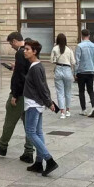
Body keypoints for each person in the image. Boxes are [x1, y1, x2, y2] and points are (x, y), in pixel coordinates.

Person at [0, 33, 34, 163]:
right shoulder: (31, 50)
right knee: (28, 123)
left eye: (11, 43)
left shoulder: (20, 53)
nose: (11, 46)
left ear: (14, 41)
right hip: (30, 93)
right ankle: (29, 151)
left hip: (21, 93)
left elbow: (19, 76)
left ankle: (2, 146)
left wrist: (15, 94)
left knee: (10, 119)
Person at [21, 39, 59, 176]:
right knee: (38, 132)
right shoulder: (37, 66)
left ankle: (49, 160)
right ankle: (38, 162)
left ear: (34, 52)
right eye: (24, 49)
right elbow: (44, 86)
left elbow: (41, 87)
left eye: (27, 49)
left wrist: (49, 102)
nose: (25, 51)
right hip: (37, 103)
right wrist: (49, 101)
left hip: (33, 104)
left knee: (31, 132)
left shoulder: (36, 67)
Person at [74, 29, 94, 118]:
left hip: (81, 71)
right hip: (91, 71)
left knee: (81, 90)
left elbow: (77, 60)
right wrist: (93, 67)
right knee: (90, 90)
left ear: (81, 35)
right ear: (89, 35)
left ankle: (83, 109)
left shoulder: (79, 46)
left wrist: (75, 72)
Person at [50, 34, 76, 119]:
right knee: (68, 92)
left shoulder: (55, 48)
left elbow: (51, 60)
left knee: (60, 92)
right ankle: (68, 110)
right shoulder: (69, 49)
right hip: (67, 69)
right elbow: (73, 62)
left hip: (58, 69)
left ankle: (62, 112)